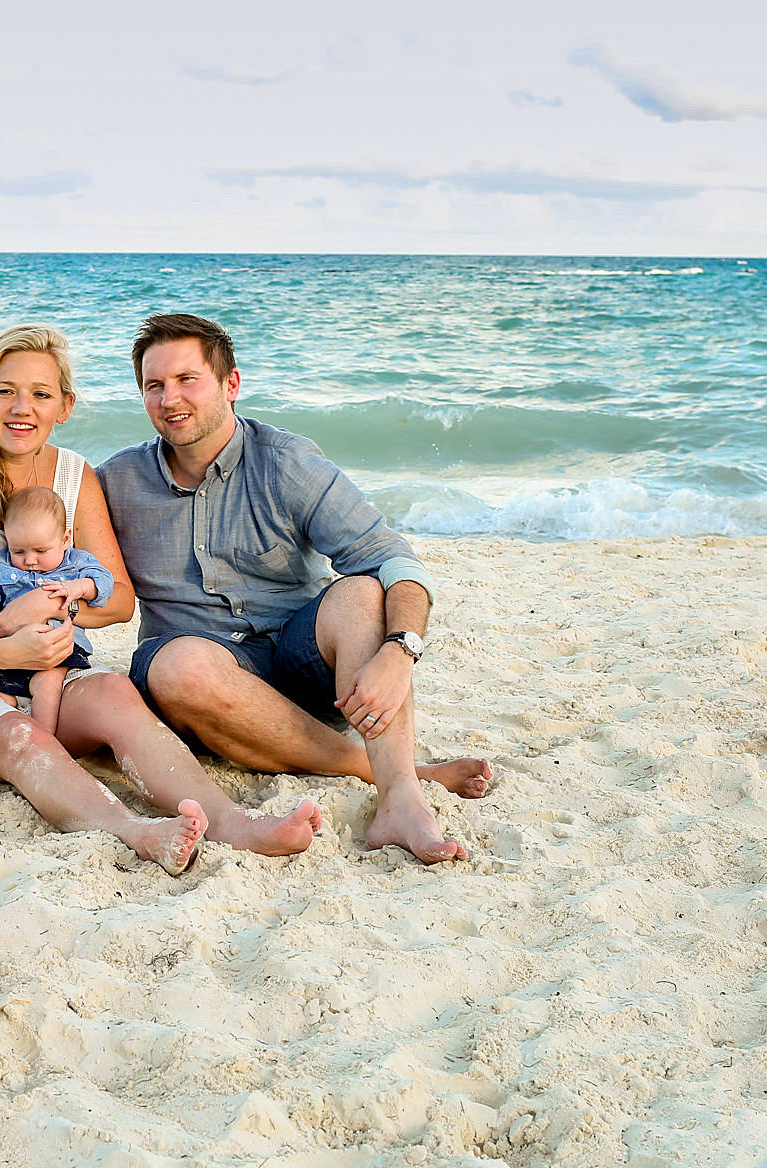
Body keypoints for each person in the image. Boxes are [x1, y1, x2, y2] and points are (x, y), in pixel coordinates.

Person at [0, 324, 322, 872]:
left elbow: (120, 600)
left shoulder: (75, 476)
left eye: (40, 393)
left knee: (112, 692)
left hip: (49, 655)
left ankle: (231, 823)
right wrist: (3, 651)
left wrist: (56, 609)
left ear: (65, 406)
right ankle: (136, 832)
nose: (21, 408)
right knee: (16, 734)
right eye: (5, 390)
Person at [98, 313, 493, 865]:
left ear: (231, 384)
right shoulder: (116, 481)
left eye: (188, 379)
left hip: (305, 667)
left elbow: (392, 558)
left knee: (359, 592)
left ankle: (400, 799)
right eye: (154, 385)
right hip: (202, 684)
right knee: (178, 665)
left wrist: (401, 651)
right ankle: (397, 768)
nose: (170, 398)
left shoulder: (285, 461)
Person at [0, 484, 115, 733]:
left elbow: (105, 581)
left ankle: (45, 737)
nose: (29, 560)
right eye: (18, 550)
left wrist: (80, 587)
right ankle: (12, 741)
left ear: (65, 539)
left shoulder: (76, 562)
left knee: (47, 684)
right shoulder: (2, 567)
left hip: (56, 648)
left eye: (41, 551)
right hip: (11, 650)